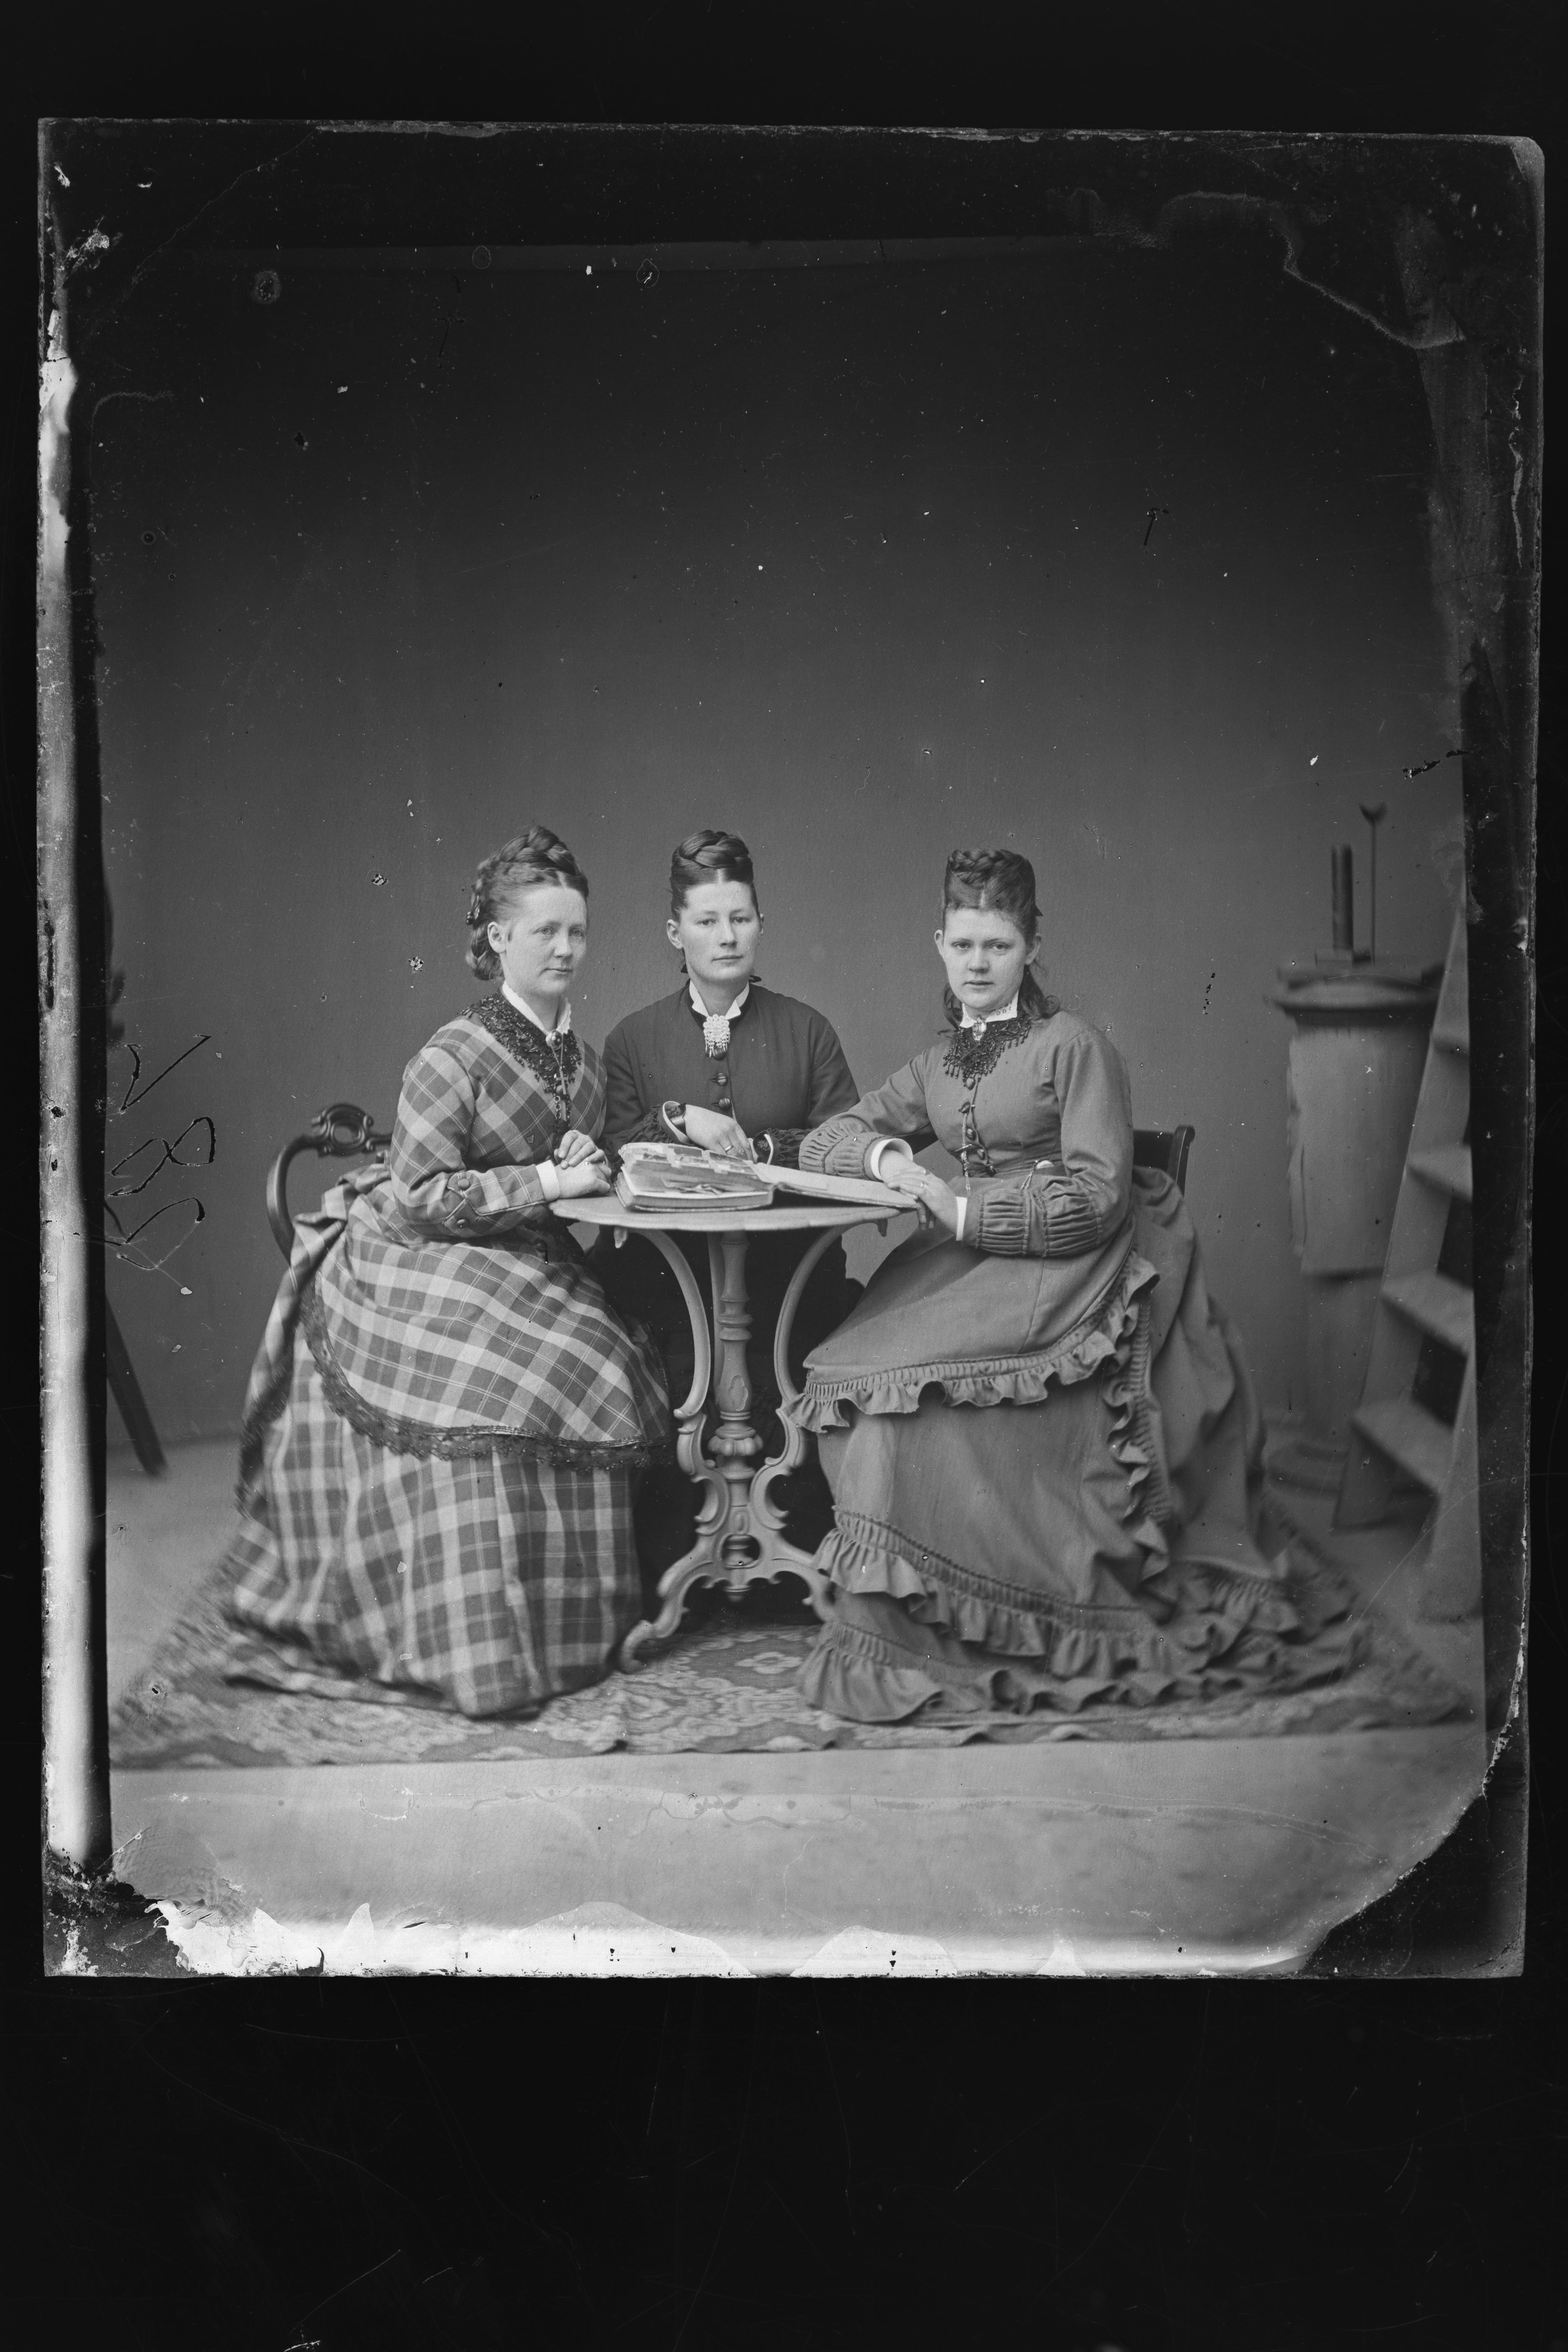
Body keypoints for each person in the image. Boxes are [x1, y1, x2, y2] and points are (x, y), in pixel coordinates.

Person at [783, 846, 1364, 1723]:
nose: (979, 965)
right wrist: (890, 1160)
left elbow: (1095, 1198)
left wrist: (960, 1207)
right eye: (964, 945)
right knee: (857, 1375)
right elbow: (834, 1135)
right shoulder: (939, 1062)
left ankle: (972, 1613)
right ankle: (918, 1605)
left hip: (1068, 1266)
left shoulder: (1076, 1047)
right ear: (939, 945)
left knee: (907, 1408)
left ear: (1032, 948)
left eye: (999, 946)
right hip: (964, 1262)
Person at [222, 828, 671, 1718]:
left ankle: (564, 1628)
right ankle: (469, 1645)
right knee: (487, 1385)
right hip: (410, 1255)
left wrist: (584, 1158)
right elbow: (423, 1193)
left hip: (522, 1259)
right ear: (499, 939)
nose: (565, 950)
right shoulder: (451, 1055)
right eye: (545, 931)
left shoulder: (585, 1067)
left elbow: (580, 1169)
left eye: (577, 932)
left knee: (591, 1363)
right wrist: (548, 1181)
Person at [593, 829, 860, 1580]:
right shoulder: (632, 1040)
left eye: (740, 918)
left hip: (787, 1276)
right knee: (667, 1374)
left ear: (761, 925)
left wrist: (765, 1149)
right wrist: (680, 1121)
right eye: (707, 921)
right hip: (666, 1282)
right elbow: (613, 1149)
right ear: (675, 933)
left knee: (796, 1372)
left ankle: (788, 1557)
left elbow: (846, 1140)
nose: (727, 936)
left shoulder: (808, 1031)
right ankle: (683, 1560)